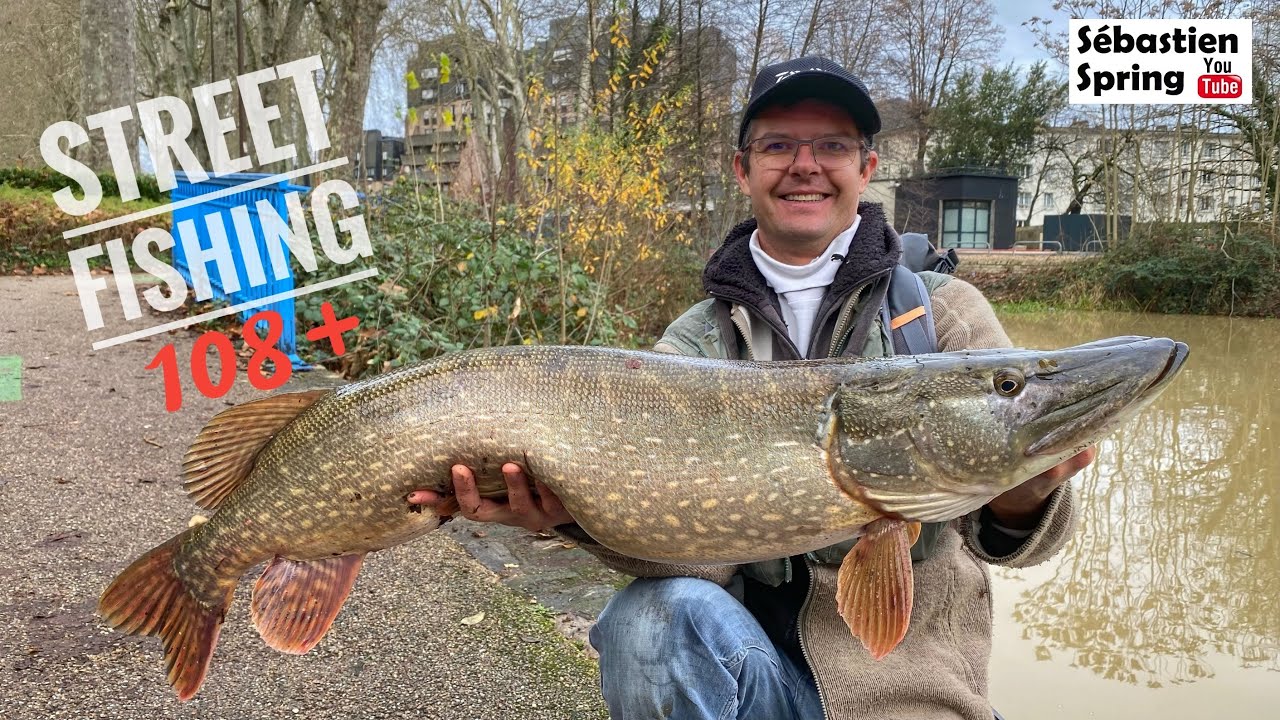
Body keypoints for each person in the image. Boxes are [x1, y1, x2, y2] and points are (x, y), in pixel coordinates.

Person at [409, 56, 1094, 719]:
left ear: (867, 168)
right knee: (650, 620)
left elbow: (1019, 542)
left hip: (914, 700)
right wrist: (566, 516)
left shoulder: (940, 313)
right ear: (743, 169)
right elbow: (689, 558)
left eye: (831, 144)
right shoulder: (693, 344)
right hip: (751, 681)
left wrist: (1027, 496)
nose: (805, 165)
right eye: (778, 145)